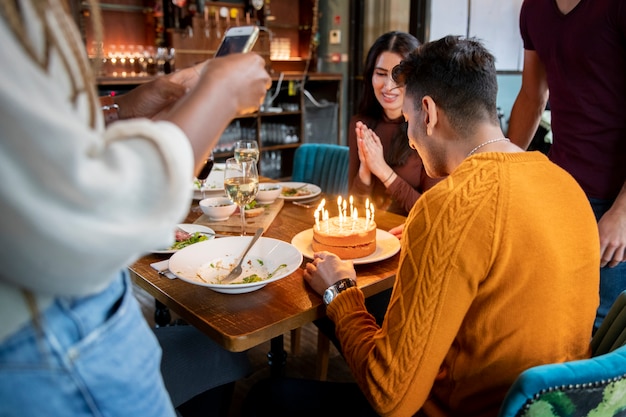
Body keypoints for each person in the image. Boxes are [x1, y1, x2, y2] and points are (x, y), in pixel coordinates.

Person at [242, 36, 600, 417]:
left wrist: (340, 290)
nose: (411, 140)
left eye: (410, 122)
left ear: (428, 112)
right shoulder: (566, 184)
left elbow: (391, 397)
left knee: (265, 397)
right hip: (557, 407)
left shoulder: (448, 205)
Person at [0, 0, 271, 415]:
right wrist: (219, 95)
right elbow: (85, 208)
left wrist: (125, 108)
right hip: (53, 341)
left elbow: (43, 142)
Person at [507, 0, 626, 332]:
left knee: (601, 328)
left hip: (614, 201)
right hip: (560, 190)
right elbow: (532, 95)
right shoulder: (533, 8)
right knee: (553, 317)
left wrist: (622, 213)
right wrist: (499, 170)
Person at [348, 31, 441, 217]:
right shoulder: (361, 123)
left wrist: (382, 169)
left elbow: (432, 214)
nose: (388, 86)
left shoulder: (432, 128)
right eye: (380, 74)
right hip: (372, 233)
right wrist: (365, 169)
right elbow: (354, 209)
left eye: (399, 75)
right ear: (370, 76)